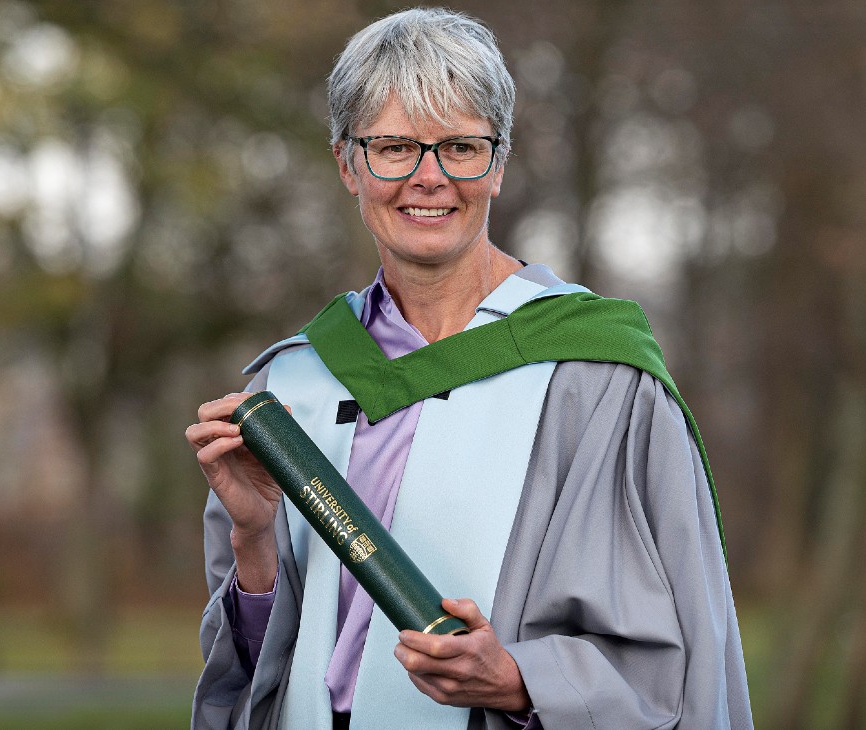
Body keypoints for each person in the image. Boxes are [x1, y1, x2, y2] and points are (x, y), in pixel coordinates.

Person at [186, 7, 752, 729]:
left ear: (501, 161)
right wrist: (254, 540)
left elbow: (677, 658)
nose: (429, 178)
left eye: (460, 146)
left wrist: (520, 680)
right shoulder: (292, 385)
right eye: (393, 147)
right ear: (347, 163)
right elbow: (255, 674)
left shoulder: (597, 382)